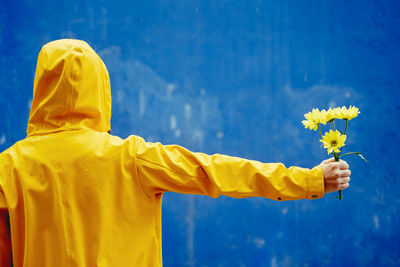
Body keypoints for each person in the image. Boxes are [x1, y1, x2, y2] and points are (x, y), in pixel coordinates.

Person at [0, 39, 350, 266]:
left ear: (41, 88)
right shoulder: (131, 157)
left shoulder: (10, 166)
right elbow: (216, 171)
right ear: (101, 89)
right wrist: (311, 179)